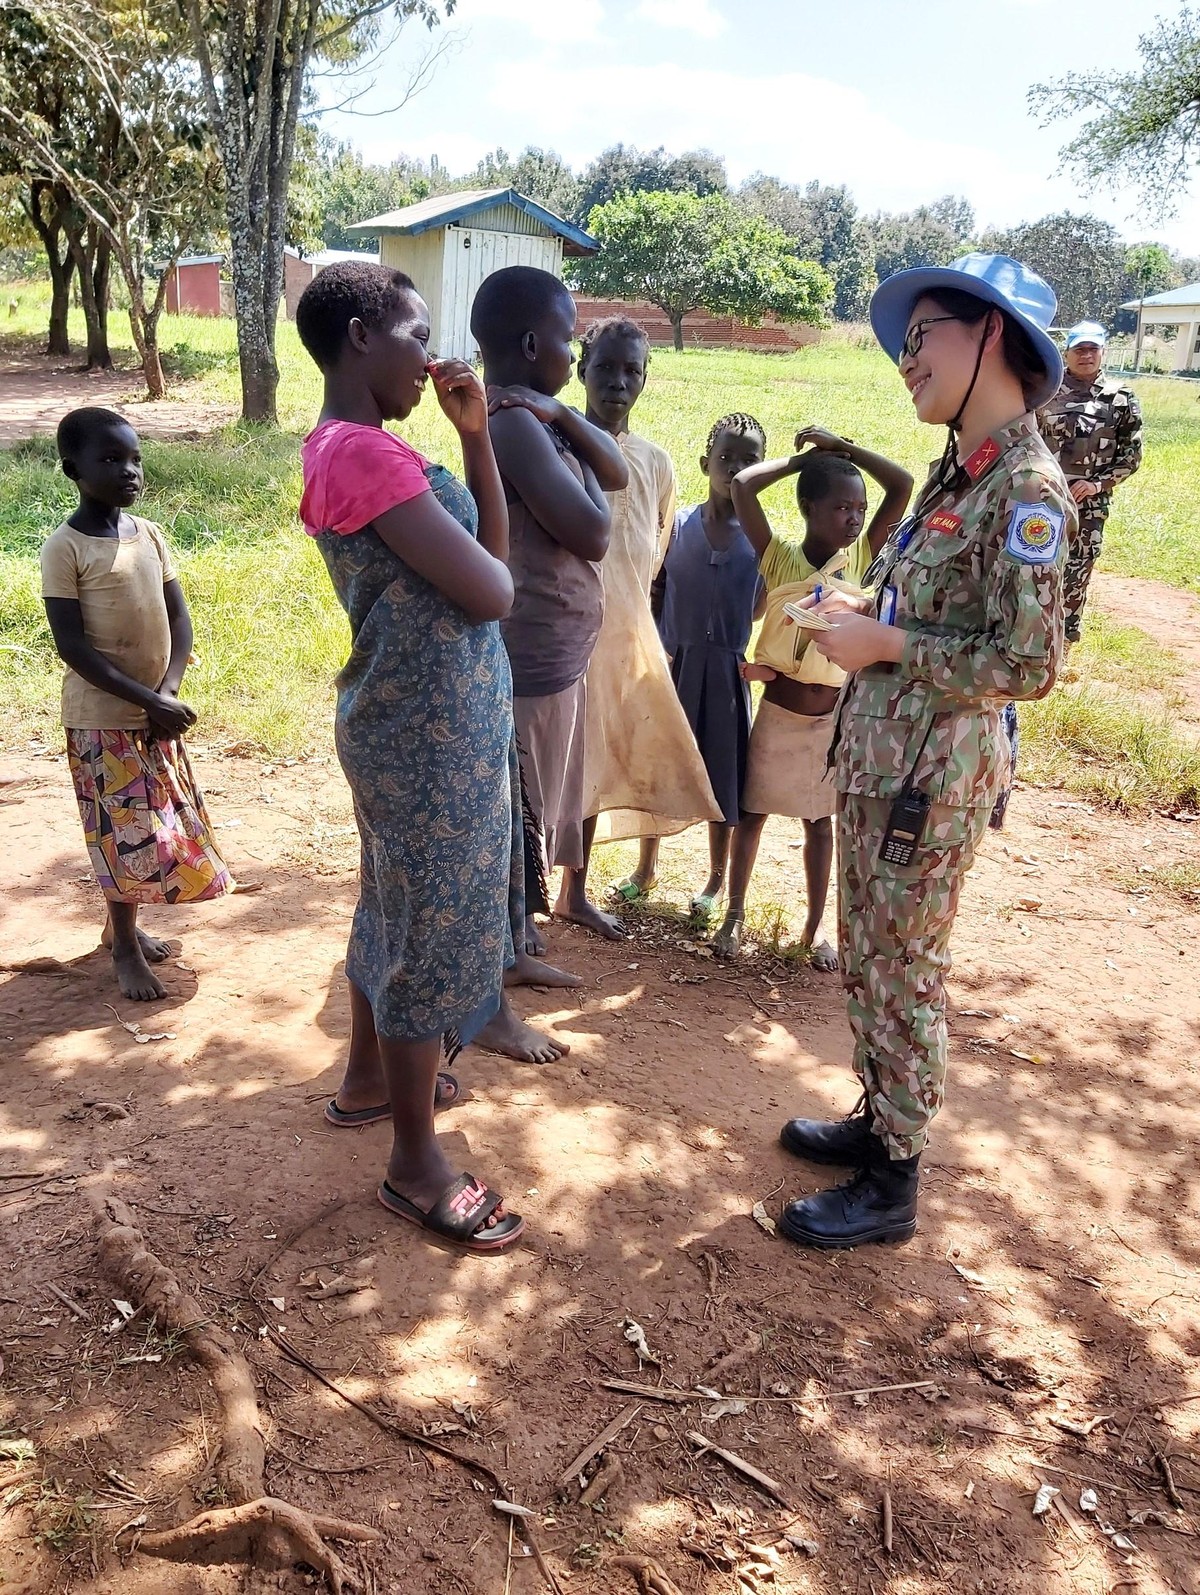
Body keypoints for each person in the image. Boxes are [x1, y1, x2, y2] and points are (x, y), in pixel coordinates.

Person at [777, 253, 1074, 1249]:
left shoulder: (1026, 489)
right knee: (868, 955)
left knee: (904, 969)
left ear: (991, 333)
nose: (905, 360)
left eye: (921, 337)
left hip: (929, 783)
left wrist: (891, 645)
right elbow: (939, 608)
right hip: (885, 764)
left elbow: (1029, 661)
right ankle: (876, 1117)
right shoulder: (962, 471)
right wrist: (865, 609)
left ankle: (894, 1178)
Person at [296, 261, 527, 1254]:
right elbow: (495, 594)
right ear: (360, 336)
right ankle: (414, 1164)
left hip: (419, 723)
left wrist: (476, 440)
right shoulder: (364, 457)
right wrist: (469, 465)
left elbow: (495, 563)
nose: (431, 356)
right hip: (423, 734)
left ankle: (362, 1082)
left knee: (389, 903)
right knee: (425, 928)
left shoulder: (364, 447)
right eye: (415, 332)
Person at [40, 407, 233, 1003]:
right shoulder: (65, 548)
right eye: (109, 460)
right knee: (121, 830)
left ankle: (118, 926)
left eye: (134, 459)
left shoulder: (149, 534)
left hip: (154, 716)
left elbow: (180, 619)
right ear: (73, 469)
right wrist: (148, 698)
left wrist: (168, 693)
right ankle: (124, 946)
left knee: (149, 828)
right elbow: (73, 646)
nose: (128, 471)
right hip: (103, 720)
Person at [471, 266, 629, 950]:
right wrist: (562, 429)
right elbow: (595, 532)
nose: (575, 354)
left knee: (538, 794)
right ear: (535, 345)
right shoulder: (511, 421)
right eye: (569, 339)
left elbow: (616, 473)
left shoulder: (542, 416)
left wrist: (566, 414)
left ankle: (520, 929)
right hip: (530, 647)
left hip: (557, 648)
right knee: (520, 800)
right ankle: (508, 940)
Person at [718, 430, 913, 968]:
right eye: (841, 507)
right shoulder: (779, 558)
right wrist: (803, 460)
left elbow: (902, 484)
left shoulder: (865, 557)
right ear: (807, 508)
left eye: (860, 509)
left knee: (819, 825)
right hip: (777, 716)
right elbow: (742, 486)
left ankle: (813, 930)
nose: (854, 517)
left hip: (831, 723)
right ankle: (734, 916)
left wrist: (848, 450)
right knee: (752, 816)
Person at [556, 316, 720, 933]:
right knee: (547, 763)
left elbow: (652, 556)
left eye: (632, 371)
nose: (618, 382)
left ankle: (574, 888)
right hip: (560, 632)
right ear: (581, 371)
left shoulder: (655, 462)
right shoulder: (554, 444)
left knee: (598, 762)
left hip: (623, 635)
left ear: (647, 378)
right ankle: (520, 895)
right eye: (605, 368)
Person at [636, 414, 768, 919]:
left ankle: (715, 880)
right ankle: (646, 866)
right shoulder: (679, 526)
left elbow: (757, 608)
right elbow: (657, 587)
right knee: (660, 768)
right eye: (726, 459)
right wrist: (655, 642)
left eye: (749, 461)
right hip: (675, 668)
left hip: (729, 677)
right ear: (704, 464)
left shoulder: (760, 542)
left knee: (724, 780)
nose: (735, 470)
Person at [1038, 320, 1143, 647]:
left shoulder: (1120, 400)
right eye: (1079, 349)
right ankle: (1030, 636)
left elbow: (1131, 456)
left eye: (1092, 349)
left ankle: (1064, 644)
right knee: (1033, 565)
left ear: (1102, 352)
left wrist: (1097, 485)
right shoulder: (1043, 392)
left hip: (1089, 506)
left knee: (1076, 573)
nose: (1086, 355)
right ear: (1066, 353)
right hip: (1042, 499)